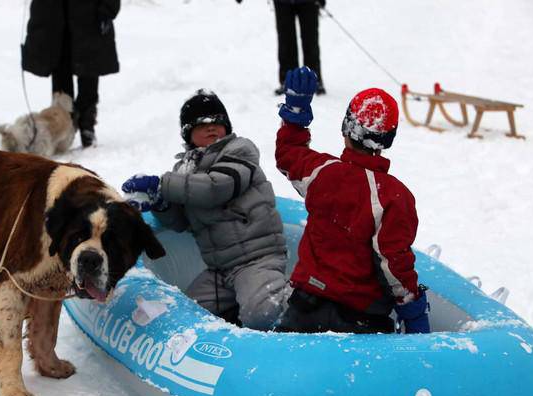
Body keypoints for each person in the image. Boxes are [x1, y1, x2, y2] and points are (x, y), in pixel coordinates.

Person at [274, 66, 430, 334]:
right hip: (361, 319)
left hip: (304, 309)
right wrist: (412, 310)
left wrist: (295, 116)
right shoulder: (394, 196)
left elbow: (289, 154)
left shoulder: (321, 172)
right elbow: (393, 261)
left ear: (346, 127)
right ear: (387, 139)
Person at [121, 90, 290, 330]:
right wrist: (160, 202)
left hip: (258, 258)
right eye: (201, 124)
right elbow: (181, 221)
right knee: (188, 314)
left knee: (262, 312)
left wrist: (162, 184)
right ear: (188, 134)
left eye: (217, 121)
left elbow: (215, 188)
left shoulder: (239, 150)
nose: (211, 127)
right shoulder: (184, 170)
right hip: (221, 270)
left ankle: (300, 304)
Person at [21, 0, 120, 148]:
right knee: (60, 70)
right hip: (54, 16)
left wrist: (107, 9)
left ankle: (87, 124)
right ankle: (62, 129)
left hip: (90, 16)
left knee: (88, 70)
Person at [272, 0, 326, 96]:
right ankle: (289, 81)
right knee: (286, 42)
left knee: (311, 41)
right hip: (282, 3)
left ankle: (313, 81)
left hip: (309, 2)